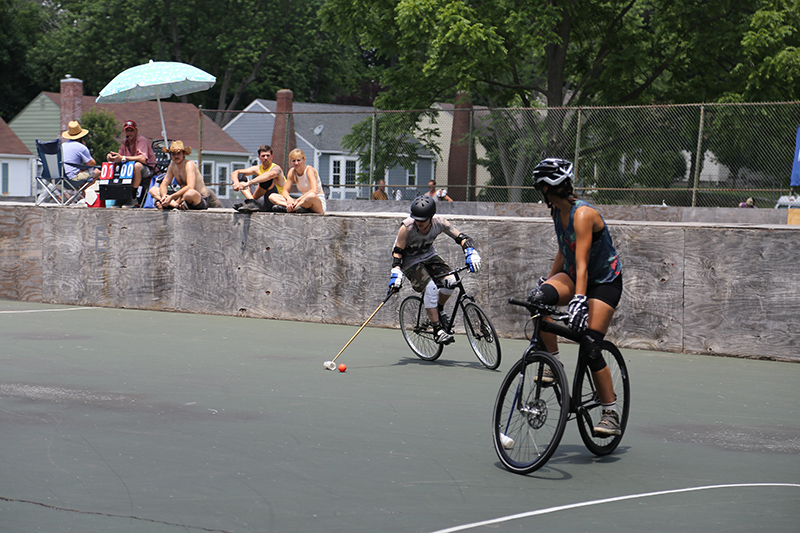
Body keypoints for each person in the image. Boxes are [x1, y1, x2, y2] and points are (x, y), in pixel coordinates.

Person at [527, 158, 623, 437]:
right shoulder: (557, 211)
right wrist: (548, 280)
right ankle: (553, 364)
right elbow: (564, 251)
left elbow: (582, 262)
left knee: (591, 345)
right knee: (537, 300)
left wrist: (579, 299)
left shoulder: (583, 214)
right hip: (574, 274)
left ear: (545, 188)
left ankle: (610, 412)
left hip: (604, 282)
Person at [387, 195, 482, 344]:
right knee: (431, 288)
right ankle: (437, 330)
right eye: (416, 219)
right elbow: (398, 252)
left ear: (431, 217)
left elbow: (462, 238)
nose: (419, 223)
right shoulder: (406, 228)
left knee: (451, 281)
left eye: (422, 220)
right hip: (410, 261)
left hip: (429, 256)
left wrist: (470, 251)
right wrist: (396, 273)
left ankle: (439, 308)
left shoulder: (440, 223)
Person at [149, 141, 222, 210]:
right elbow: (164, 184)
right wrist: (164, 196)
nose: (176, 156)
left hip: (197, 198)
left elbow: (190, 186)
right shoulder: (172, 165)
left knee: (190, 193)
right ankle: (175, 205)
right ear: (170, 155)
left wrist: (171, 197)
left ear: (184, 154)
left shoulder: (189, 164)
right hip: (180, 198)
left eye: (178, 153)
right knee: (153, 190)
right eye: (173, 154)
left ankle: (172, 204)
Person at [106, 120, 157, 204]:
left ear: (136, 131)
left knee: (137, 166)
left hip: (149, 169)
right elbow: (120, 158)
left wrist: (123, 158)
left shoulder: (141, 140)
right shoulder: (124, 142)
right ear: (123, 132)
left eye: (131, 130)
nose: (129, 133)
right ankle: (119, 197)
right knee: (115, 166)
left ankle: (132, 196)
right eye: (127, 131)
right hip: (130, 168)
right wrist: (112, 158)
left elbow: (143, 159)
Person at [231, 145, 286, 213]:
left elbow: (270, 175)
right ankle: (251, 201)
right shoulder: (257, 168)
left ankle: (251, 202)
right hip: (261, 201)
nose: (265, 158)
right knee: (240, 176)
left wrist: (248, 183)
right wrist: (236, 183)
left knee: (266, 179)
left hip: (274, 201)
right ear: (259, 157)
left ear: (272, 157)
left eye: (268, 155)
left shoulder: (276, 168)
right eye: (263, 156)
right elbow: (236, 172)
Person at [269, 149, 326, 214]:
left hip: (315, 201)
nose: (296, 163)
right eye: (293, 161)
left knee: (311, 196)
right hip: (301, 202)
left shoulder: (309, 170)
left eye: (298, 160)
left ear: (304, 160)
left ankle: (290, 209)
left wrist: (298, 200)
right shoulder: (292, 172)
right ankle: (294, 207)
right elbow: (285, 191)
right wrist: (289, 199)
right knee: (272, 196)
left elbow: (314, 190)